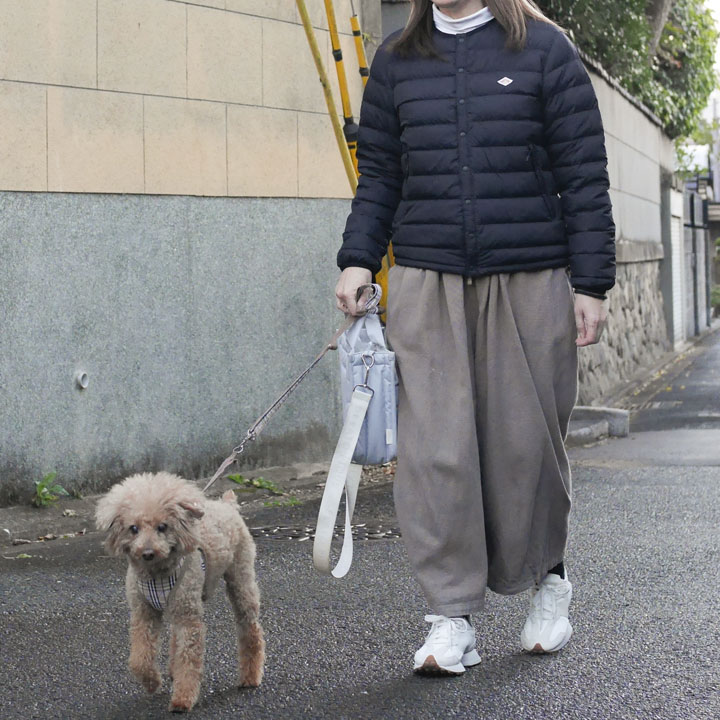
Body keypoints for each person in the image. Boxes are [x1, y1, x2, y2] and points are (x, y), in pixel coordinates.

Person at [335, 0, 615, 675]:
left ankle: (548, 581)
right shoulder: (397, 60)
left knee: (524, 446)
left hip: (530, 277)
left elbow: (582, 173)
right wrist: (358, 259)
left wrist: (591, 283)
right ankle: (450, 615)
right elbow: (380, 174)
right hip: (427, 279)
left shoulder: (545, 50)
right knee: (436, 453)